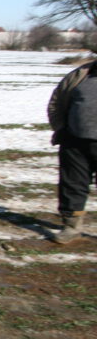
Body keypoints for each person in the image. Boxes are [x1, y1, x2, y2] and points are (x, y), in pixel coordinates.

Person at [47, 54, 97, 243]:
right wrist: (61, 129)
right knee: (72, 185)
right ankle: (71, 226)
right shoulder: (80, 74)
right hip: (75, 141)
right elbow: (57, 102)